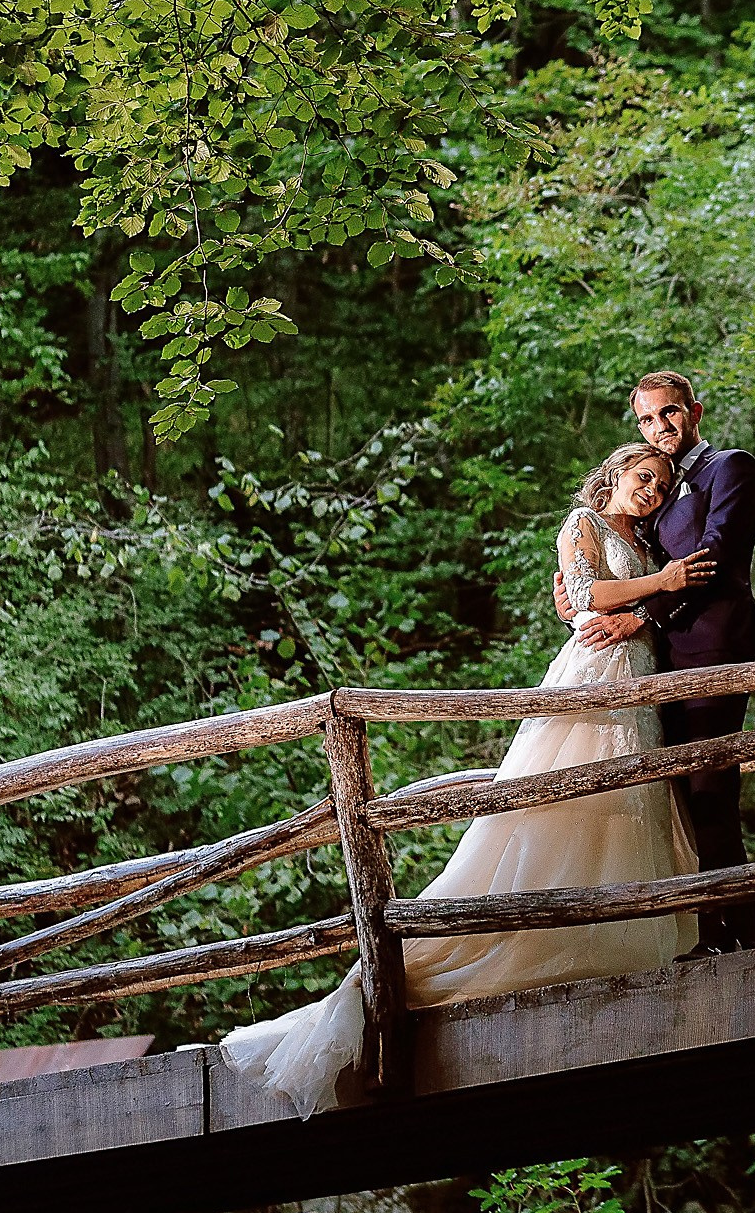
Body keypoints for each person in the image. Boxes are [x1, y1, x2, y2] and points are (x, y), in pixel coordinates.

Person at [220, 442, 717, 1117]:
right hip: (596, 671)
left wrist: (646, 602)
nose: (653, 489)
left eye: (660, 483)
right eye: (643, 477)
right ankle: (470, 946)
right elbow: (584, 594)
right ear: (615, 475)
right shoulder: (584, 523)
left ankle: (615, 936)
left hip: (637, 676)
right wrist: (659, 584)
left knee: (626, 801)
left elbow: (614, 603)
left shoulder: (643, 535)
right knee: (561, 799)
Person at [557, 371, 755, 954]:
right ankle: (704, 930)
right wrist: (576, 598)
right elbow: (613, 571)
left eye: (669, 413)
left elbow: (719, 556)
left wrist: (643, 617)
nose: (660, 427)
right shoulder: (655, 489)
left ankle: (738, 937)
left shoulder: (728, 467)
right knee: (675, 796)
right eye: (647, 419)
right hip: (656, 665)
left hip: (710, 649)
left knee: (710, 788)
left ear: (694, 412)